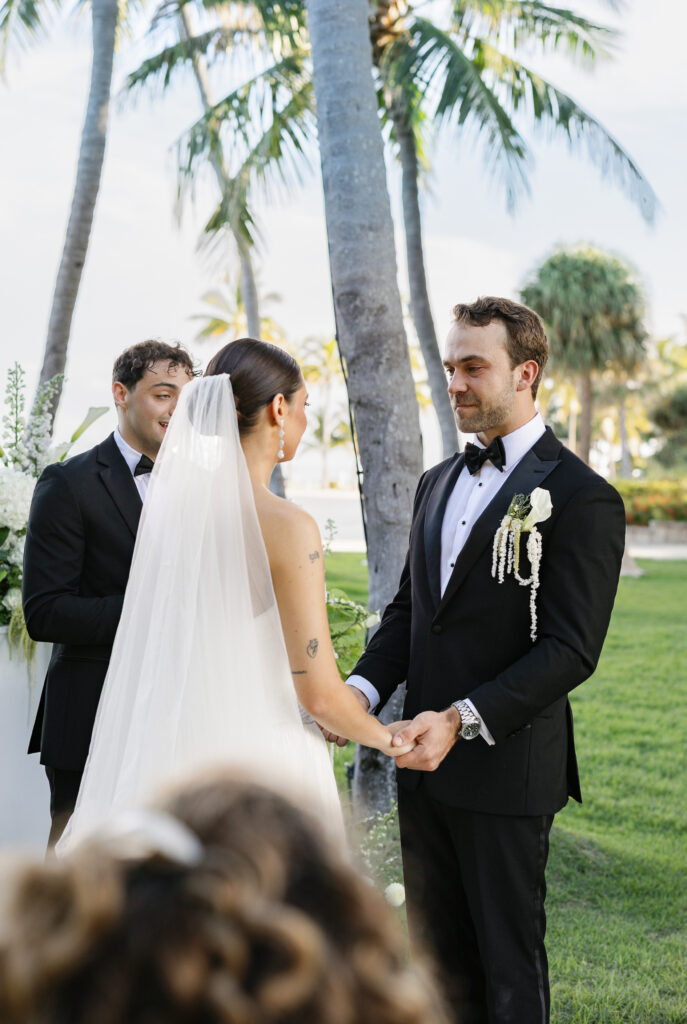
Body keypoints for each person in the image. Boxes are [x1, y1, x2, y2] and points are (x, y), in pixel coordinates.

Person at [347, 297, 626, 1024]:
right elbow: (409, 612)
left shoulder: (581, 498)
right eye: (449, 367)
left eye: (474, 366)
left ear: (525, 372)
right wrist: (359, 691)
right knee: (435, 962)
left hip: (506, 769)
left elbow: (570, 648)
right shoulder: (435, 483)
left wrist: (461, 720)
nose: (456, 382)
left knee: (507, 970)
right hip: (421, 773)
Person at [56, 340, 413, 854]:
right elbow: (319, 696)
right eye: (305, 405)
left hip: (181, 744)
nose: (306, 421)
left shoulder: (174, 516)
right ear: (278, 409)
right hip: (264, 757)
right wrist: (389, 738)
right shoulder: (289, 526)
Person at [23, 339, 196, 846]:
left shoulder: (202, 489)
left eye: (187, 399)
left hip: (176, 717)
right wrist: (150, 610)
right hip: (89, 717)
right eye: (164, 395)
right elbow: (45, 612)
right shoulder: (68, 484)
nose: (176, 411)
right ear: (121, 393)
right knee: (80, 874)